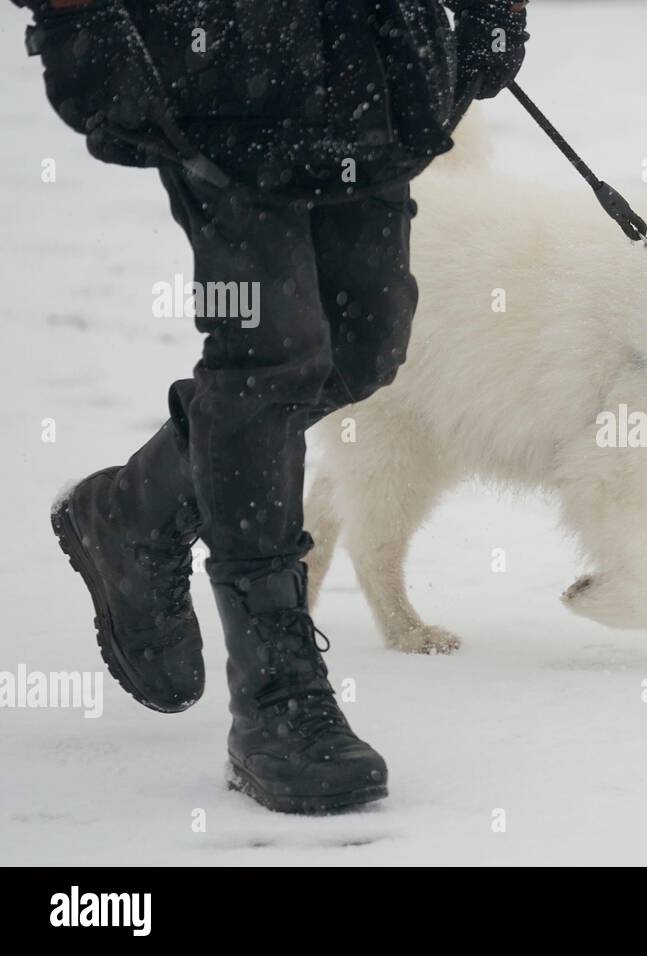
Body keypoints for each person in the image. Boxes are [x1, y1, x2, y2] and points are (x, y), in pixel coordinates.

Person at [13, 0, 528, 813]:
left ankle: (130, 512)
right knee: (269, 352)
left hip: (370, 52)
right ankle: (276, 694)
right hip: (209, 58)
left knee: (366, 348)